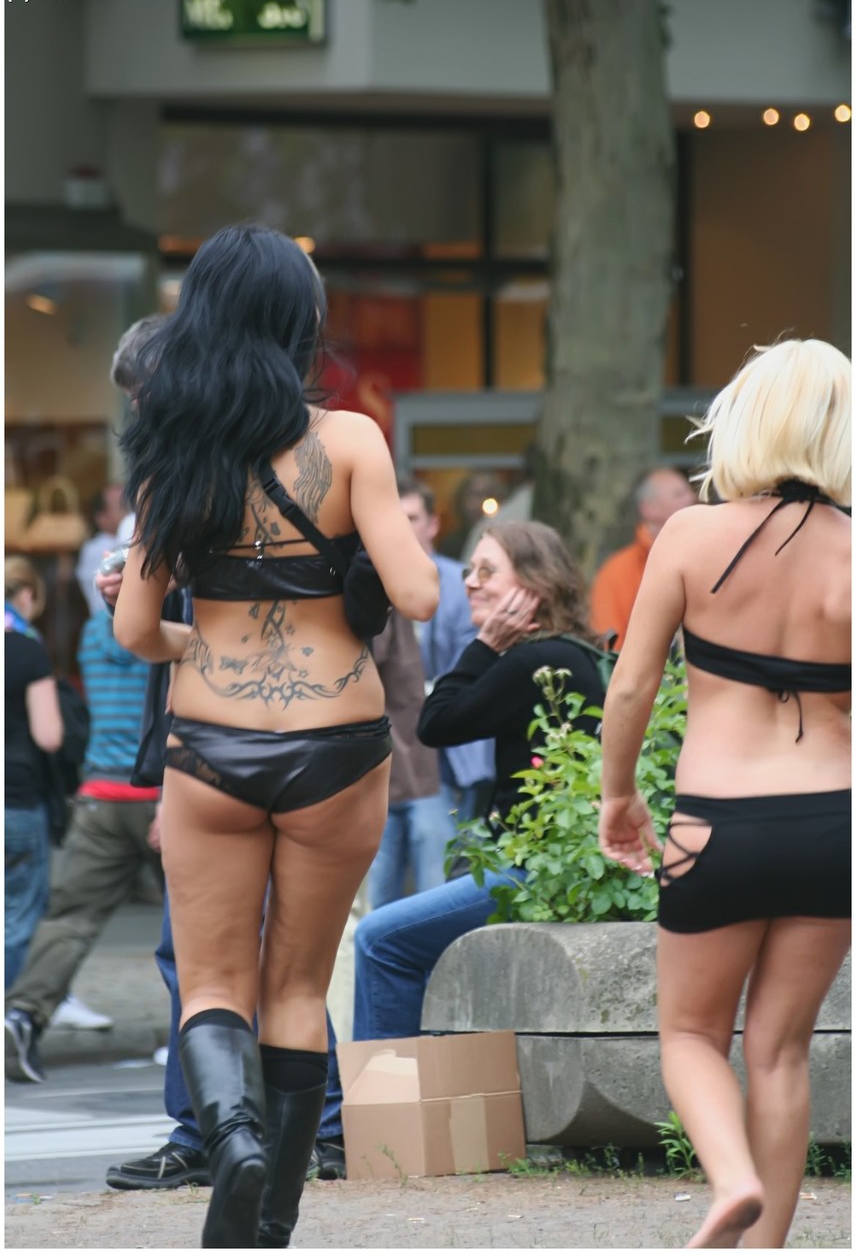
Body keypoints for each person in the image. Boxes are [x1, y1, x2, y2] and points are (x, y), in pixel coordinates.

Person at [111, 223, 438, 1248]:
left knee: (212, 985)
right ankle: (272, 1221)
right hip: (337, 742)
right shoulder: (352, 441)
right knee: (297, 986)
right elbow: (421, 594)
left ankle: (232, 1141)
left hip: (210, 742)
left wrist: (200, 636)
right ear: (302, 321)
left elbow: (135, 632)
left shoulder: (171, 452)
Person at [597, 338, 850, 1249]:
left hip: (717, 823)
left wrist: (617, 795)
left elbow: (633, 686)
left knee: (692, 1037)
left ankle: (730, 1179)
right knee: (780, 1052)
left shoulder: (689, 536)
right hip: (834, 825)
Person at [315, 520, 605, 1149]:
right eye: (470, 569)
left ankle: (371, 1131)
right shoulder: (571, 653)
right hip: (544, 863)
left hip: (532, 870)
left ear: (533, 586)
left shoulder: (535, 659)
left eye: (487, 571)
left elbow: (437, 722)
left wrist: (483, 645)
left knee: (381, 938)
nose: (470, 581)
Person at [4, 605, 160, 1083]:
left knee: (70, 918)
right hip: (162, 794)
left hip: (100, 793)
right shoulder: (166, 626)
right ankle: (197, 1032)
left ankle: (24, 1014)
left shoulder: (92, 632)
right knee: (195, 924)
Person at [398, 477, 495, 826]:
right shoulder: (364, 581)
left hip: (443, 756)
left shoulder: (462, 585)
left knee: (436, 848)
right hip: (381, 752)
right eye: (395, 519)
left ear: (433, 524)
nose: (402, 528)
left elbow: (467, 669)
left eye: (411, 518)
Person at [4, 558, 63, 989]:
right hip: (16, 800)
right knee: (18, 918)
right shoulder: (27, 650)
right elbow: (49, 735)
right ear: (25, 596)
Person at [367, 610, 449, 908]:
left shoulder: (386, 597)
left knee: (419, 870)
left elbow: (369, 654)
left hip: (399, 747)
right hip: (399, 749)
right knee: (406, 868)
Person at [589, 467, 697, 649]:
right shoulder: (617, 571)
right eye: (678, 494)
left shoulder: (708, 556)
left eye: (689, 491)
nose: (691, 499)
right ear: (649, 509)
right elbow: (611, 646)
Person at [75, 484, 126, 616]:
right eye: (123, 506)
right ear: (101, 517)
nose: (130, 511)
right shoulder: (95, 548)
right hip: (106, 622)